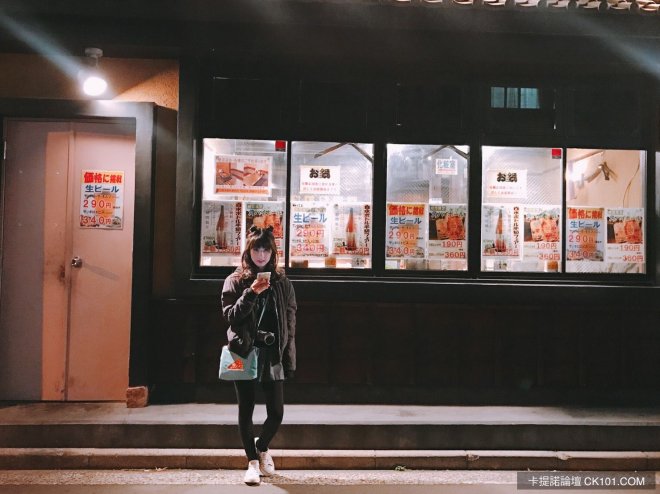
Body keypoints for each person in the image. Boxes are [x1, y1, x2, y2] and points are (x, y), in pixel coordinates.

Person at [221, 226, 297, 486]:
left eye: (266, 249)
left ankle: (261, 446)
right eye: (257, 249)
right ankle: (252, 463)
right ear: (248, 251)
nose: (261, 255)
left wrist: (289, 356)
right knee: (246, 409)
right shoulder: (235, 280)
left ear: (273, 252)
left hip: (273, 353)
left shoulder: (282, 282)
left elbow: (290, 321)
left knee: (276, 412)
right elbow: (230, 316)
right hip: (244, 352)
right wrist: (251, 292)